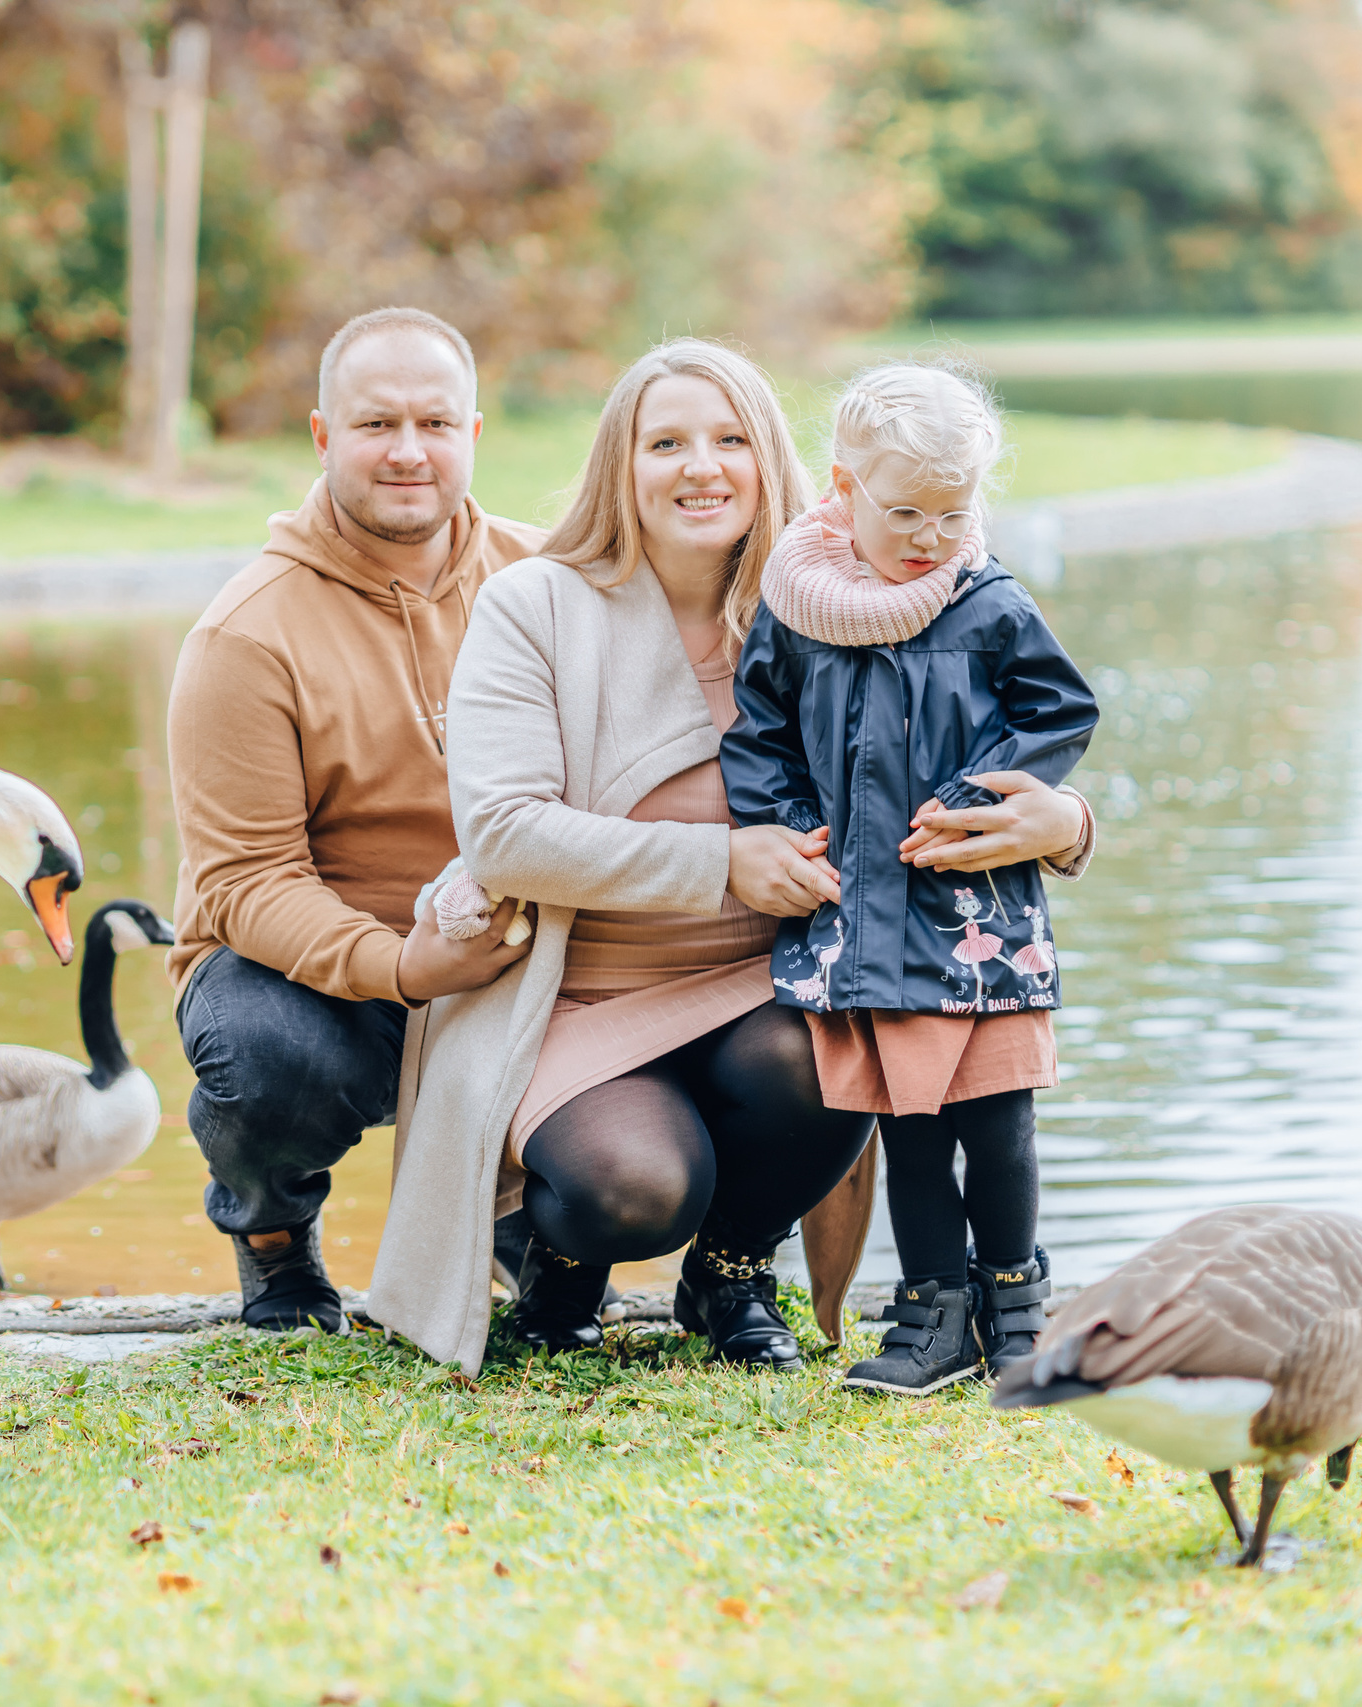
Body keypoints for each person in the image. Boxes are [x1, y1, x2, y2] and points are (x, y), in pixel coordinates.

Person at [365, 338, 1097, 1376]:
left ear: (774, 463)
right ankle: (557, 1250)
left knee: (846, 1045)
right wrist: (721, 863)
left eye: (728, 439)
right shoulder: (535, 605)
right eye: (665, 441)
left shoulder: (842, 599)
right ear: (622, 464)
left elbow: (976, 733)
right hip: (578, 992)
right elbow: (503, 832)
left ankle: (731, 1269)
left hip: (764, 981)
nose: (699, 466)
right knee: (630, 1186)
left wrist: (1061, 822)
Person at [166, 307, 545, 1331]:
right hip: (312, 981)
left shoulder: (551, 585)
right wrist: (404, 968)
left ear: (473, 435)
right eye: (376, 425)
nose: (408, 451)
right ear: (324, 436)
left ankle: (532, 1226)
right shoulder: (245, 637)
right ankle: (274, 1238)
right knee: (265, 1058)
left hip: (517, 957)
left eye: (434, 423)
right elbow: (243, 884)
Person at [723, 362, 1097, 1394]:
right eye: (904, 513)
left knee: (999, 1120)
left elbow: (1061, 710)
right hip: (864, 924)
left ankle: (1015, 1304)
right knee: (910, 1127)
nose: (929, 535)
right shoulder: (796, 612)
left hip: (980, 916)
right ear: (840, 490)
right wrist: (788, 827)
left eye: (952, 511)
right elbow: (758, 739)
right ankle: (931, 1313)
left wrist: (990, 798)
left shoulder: (988, 604)